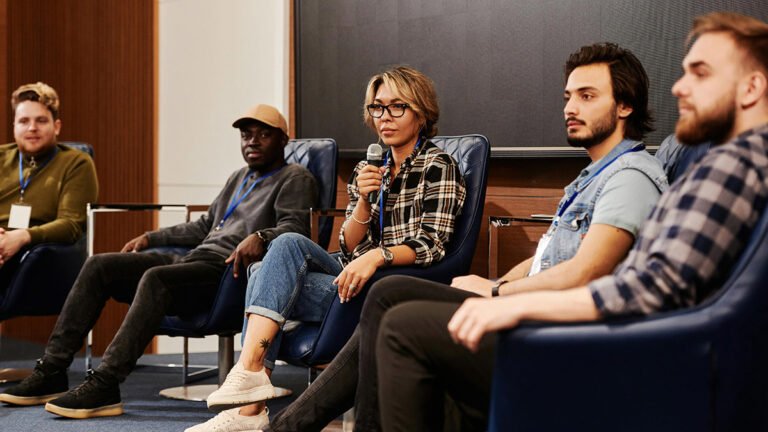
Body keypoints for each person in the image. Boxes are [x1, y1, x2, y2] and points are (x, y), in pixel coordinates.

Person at [374, 11, 768, 431]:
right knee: (402, 306)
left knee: (403, 325)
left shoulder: (733, 162)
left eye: (700, 73)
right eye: (568, 96)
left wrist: (506, 300)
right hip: (621, 337)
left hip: (623, 352)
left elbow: (647, 287)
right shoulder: (722, 161)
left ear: (752, 87)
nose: (678, 87)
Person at [260, 42, 668, 432]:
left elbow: (584, 273)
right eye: (567, 97)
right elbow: (546, 255)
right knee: (381, 292)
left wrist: (494, 295)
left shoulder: (629, 177)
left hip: (556, 329)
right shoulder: (587, 179)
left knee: (392, 305)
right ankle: (285, 415)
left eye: (587, 96)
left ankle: (290, 424)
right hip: (523, 305)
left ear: (624, 105)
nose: (570, 108)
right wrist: (498, 283)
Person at [186, 66, 468, 432]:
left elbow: (433, 244)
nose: (385, 117)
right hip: (350, 272)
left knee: (264, 277)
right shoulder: (370, 167)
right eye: (377, 108)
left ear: (421, 112)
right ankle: (251, 382)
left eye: (397, 107)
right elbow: (347, 243)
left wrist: (376, 256)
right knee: (279, 251)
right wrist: (364, 202)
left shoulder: (439, 166)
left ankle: (249, 408)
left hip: (392, 283)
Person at [0, 104, 319, 419]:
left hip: (228, 273)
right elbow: (204, 227)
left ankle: (105, 382)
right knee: (100, 265)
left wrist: (261, 237)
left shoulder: (295, 177)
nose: (252, 141)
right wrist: (152, 238)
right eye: (246, 135)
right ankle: (52, 369)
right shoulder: (239, 177)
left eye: (264, 134)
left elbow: (295, 230)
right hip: (197, 260)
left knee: (157, 278)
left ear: (284, 140)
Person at [0, 82, 98, 281]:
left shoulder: (76, 163)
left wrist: (21, 237)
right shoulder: (1, 157)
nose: (32, 128)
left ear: (57, 126)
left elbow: (71, 225)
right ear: (14, 126)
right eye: (24, 121)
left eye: (41, 120)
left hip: (34, 257)